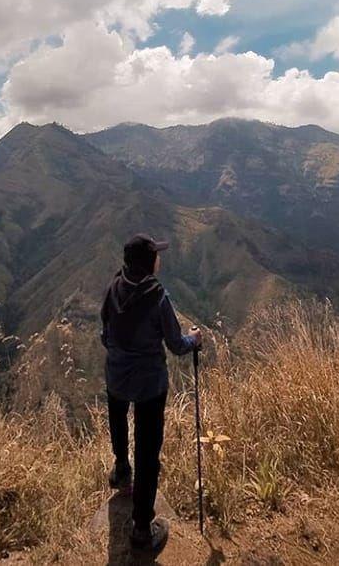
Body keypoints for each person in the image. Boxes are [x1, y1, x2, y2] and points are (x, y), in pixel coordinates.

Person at [100, 232, 202, 554]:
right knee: (148, 451)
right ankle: (142, 529)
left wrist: (122, 354)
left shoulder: (113, 288)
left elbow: (105, 336)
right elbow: (176, 345)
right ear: (149, 262)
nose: (160, 257)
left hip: (116, 375)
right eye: (156, 254)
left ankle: (120, 470)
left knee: (118, 420)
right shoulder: (158, 297)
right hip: (149, 385)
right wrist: (194, 339)